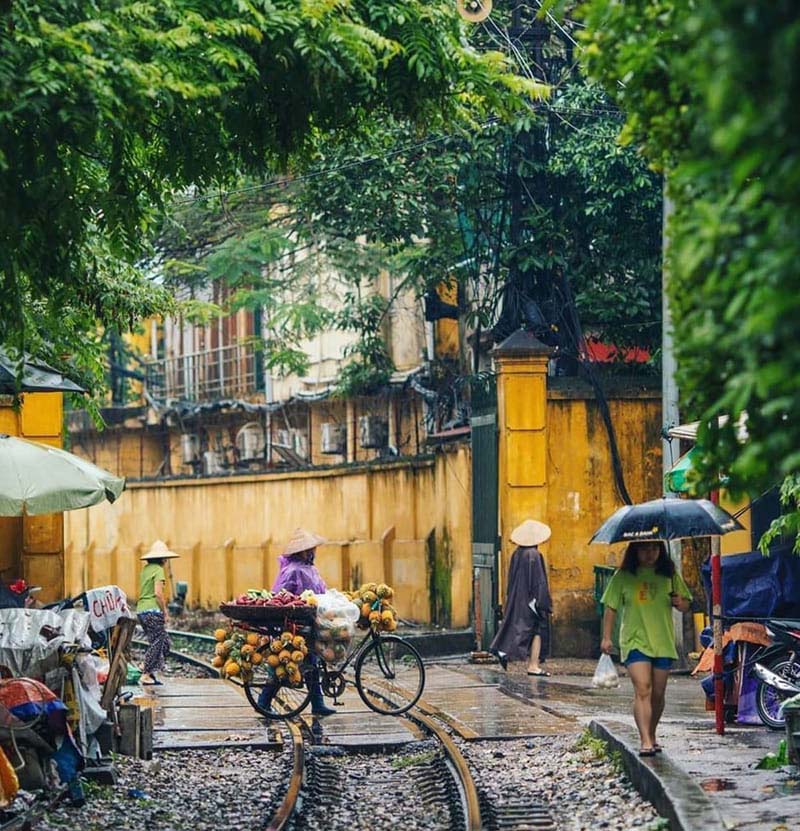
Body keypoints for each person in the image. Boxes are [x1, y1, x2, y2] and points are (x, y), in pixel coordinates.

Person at [600, 540, 692, 757]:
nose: (650, 553)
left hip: (662, 641)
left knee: (658, 694)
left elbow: (686, 603)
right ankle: (645, 740)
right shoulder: (623, 576)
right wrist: (606, 637)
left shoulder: (669, 575)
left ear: (661, 550)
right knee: (643, 689)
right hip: (634, 641)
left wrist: (680, 602)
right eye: (644, 548)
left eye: (654, 548)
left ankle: (651, 732)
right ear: (635, 551)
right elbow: (610, 607)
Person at [262, 528, 335, 716]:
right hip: (294, 624)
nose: (313, 552)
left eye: (313, 549)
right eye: (310, 549)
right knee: (289, 664)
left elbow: (320, 592)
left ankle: (318, 703)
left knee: (312, 662)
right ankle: (263, 701)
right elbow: (280, 596)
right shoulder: (292, 571)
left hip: (310, 621)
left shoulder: (311, 569)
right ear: (300, 551)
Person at [489, 519, 553, 676]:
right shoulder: (534, 555)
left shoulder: (517, 554)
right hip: (532, 600)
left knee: (516, 627)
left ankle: (505, 651)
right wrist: (543, 602)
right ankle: (532, 665)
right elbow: (539, 582)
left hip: (518, 597)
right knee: (536, 629)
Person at [136, 540, 179, 686]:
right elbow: (158, 594)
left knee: (164, 643)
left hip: (142, 611)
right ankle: (146, 673)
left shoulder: (145, 570)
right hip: (152, 610)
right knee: (157, 642)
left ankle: (146, 666)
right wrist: (165, 611)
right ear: (163, 558)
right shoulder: (159, 570)